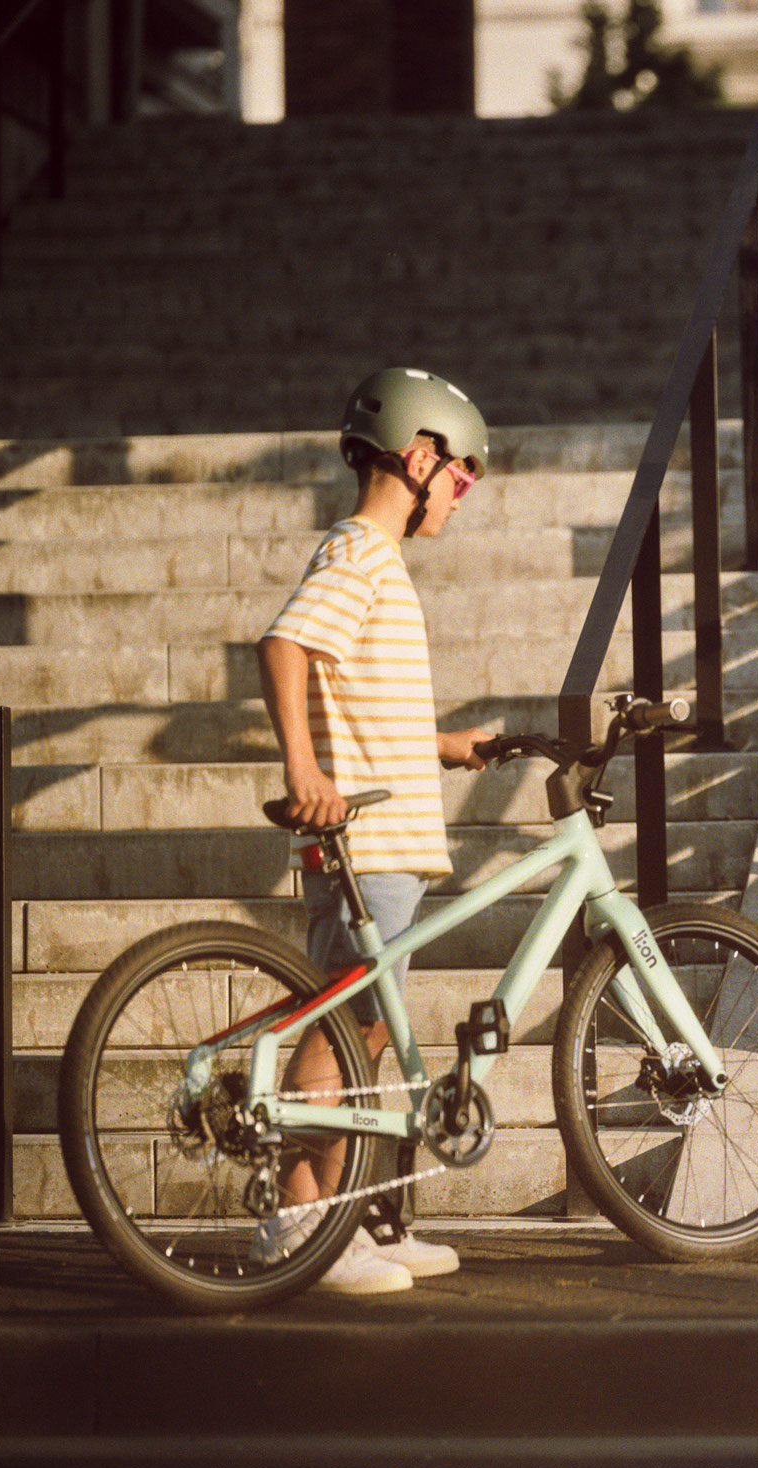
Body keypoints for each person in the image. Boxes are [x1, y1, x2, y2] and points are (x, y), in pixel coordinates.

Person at [254, 366, 497, 1294]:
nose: (462, 496)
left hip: (391, 845)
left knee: (371, 1029)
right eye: (462, 476)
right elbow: (285, 646)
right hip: (363, 845)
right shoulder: (358, 551)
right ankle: (297, 1222)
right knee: (347, 1026)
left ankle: (351, 1215)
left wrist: (443, 744)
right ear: (419, 454)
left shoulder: (375, 563)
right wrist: (302, 771)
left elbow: (357, 697)